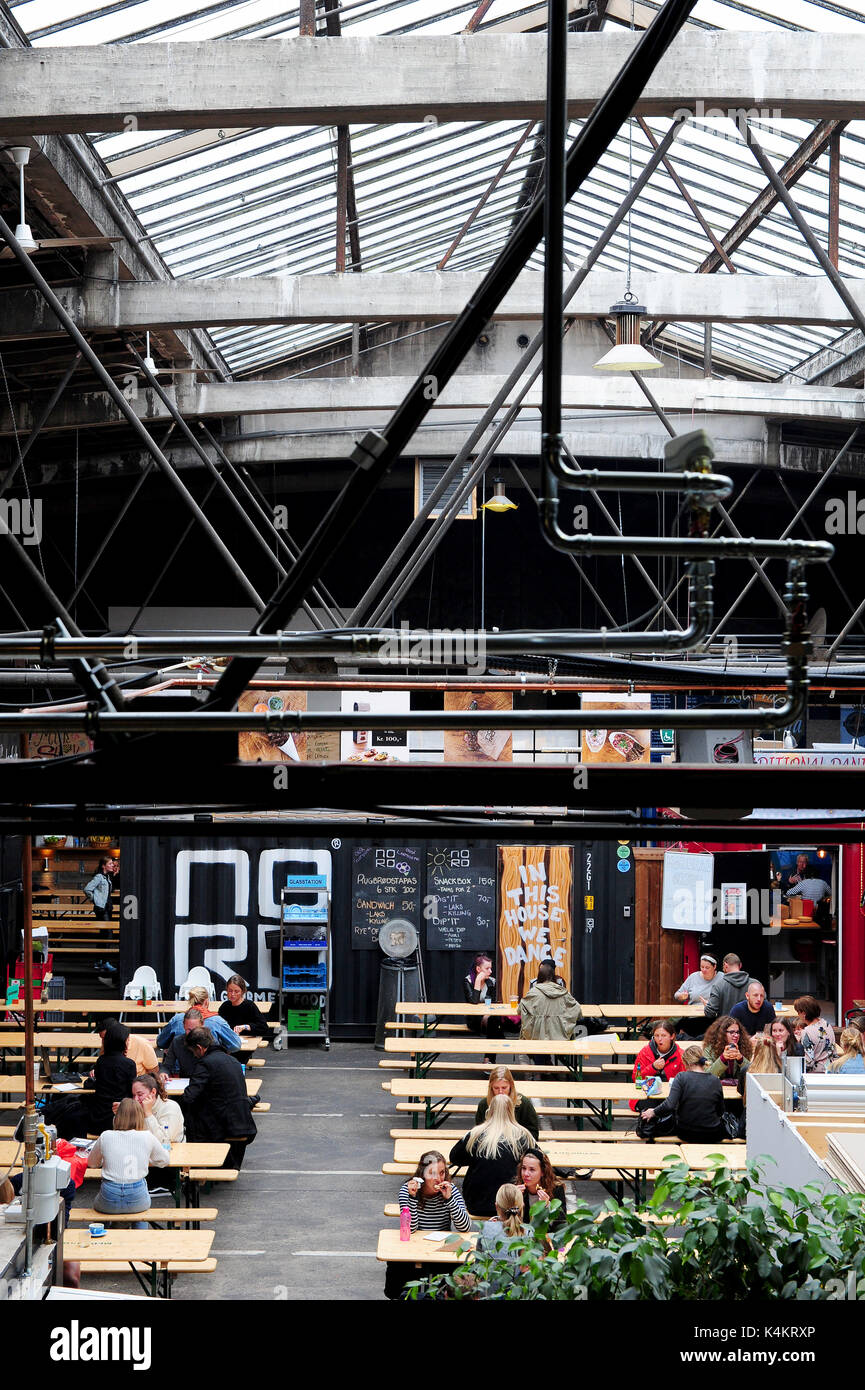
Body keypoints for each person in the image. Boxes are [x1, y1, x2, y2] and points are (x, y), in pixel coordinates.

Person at [177, 1027, 257, 1168]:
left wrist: (174, 1106)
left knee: (192, 1117)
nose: (194, 1056)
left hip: (224, 1124)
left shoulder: (205, 1064)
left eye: (193, 1052)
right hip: (242, 1120)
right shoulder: (232, 1060)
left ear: (200, 1048)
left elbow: (189, 1096)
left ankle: (195, 1165)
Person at [448, 1095, 534, 1218]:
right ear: (511, 1111)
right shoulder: (524, 1136)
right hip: (511, 1204)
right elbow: (539, 1159)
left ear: (490, 1110)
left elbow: (455, 1157)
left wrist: (478, 1159)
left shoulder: (475, 1134)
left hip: (477, 1203)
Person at [88, 1097, 169, 1227]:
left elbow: (92, 1163)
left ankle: (100, 1235)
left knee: (99, 1209)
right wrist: (146, 1158)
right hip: (137, 1195)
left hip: (109, 1195)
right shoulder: (147, 1136)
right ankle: (139, 1239)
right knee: (140, 1213)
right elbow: (164, 1160)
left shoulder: (106, 1136)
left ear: (117, 1117)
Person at [639, 1045, 727, 1143]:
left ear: (686, 1062)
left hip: (687, 1132)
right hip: (712, 1132)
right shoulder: (715, 1080)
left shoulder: (681, 1077)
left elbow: (669, 1105)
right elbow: (720, 1110)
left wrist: (653, 1112)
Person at [397, 1151, 472, 1232]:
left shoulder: (449, 1189)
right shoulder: (407, 1190)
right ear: (423, 1174)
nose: (439, 1179)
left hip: (442, 1242)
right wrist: (412, 1198)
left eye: (442, 1173)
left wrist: (450, 1199)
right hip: (416, 1242)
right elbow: (409, 1229)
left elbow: (465, 1227)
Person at [157, 989, 242, 1054]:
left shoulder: (177, 1019)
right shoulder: (217, 1021)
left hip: (180, 1069)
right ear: (206, 1001)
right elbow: (235, 1045)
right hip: (209, 1069)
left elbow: (161, 1042)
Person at [463, 953, 514, 1056]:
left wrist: (488, 1014)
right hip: (474, 1019)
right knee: (494, 1024)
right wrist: (477, 981)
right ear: (478, 969)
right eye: (487, 968)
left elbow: (492, 1002)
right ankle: (502, 1042)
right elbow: (473, 1001)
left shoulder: (491, 982)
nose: (491, 971)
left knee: (493, 1021)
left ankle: (488, 1060)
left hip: (489, 1017)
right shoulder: (467, 981)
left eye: (491, 968)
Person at [630, 1019, 686, 1112]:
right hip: (647, 1094)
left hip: (671, 1095)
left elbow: (685, 1080)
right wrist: (653, 1067)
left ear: (672, 1036)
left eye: (663, 1036)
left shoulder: (680, 1055)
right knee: (651, 1108)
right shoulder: (645, 1052)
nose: (660, 1039)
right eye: (656, 1035)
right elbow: (636, 1079)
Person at [519, 960, 582, 1041]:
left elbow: (520, 1010)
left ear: (539, 976)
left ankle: (530, 1053)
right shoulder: (563, 992)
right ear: (553, 976)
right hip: (560, 1037)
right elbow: (577, 1010)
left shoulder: (533, 992)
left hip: (537, 1036)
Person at [472, 1066, 539, 1140]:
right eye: (496, 1088)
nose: (500, 1092)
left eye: (504, 1088)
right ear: (491, 1087)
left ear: (511, 1086)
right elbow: (479, 1133)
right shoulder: (484, 1104)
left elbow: (533, 1132)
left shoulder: (523, 1103)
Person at [515, 1147, 568, 1227]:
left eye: (532, 1170)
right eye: (524, 1168)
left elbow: (561, 1224)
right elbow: (508, 1222)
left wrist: (548, 1207)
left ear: (543, 1172)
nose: (526, 1174)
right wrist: (513, 1202)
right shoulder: (515, 1188)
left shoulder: (556, 1189)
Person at [477, 1183, 530, 1257]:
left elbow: (479, 1261)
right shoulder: (529, 1233)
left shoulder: (485, 1228)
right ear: (522, 1206)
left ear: (496, 1206)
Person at [132, 1073, 185, 1143]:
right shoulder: (136, 1107)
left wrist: (148, 1113)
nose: (136, 1099)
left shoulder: (171, 1107)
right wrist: (122, 1114)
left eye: (140, 1094)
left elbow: (163, 1140)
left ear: (153, 1092)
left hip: (173, 1150)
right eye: (133, 1095)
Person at [702, 1015, 753, 1084]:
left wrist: (741, 1059)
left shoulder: (744, 1047)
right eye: (732, 1032)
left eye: (737, 1032)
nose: (736, 1035)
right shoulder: (710, 1049)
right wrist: (723, 1058)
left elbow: (752, 1075)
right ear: (722, 1033)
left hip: (738, 1089)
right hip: (717, 1087)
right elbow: (707, 1075)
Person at [703, 954, 752, 1024]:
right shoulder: (755, 985)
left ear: (725, 966)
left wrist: (707, 1006)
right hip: (748, 1031)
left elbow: (710, 1013)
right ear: (740, 965)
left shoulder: (718, 985)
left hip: (725, 1031)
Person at [794, 995, 836, 1073]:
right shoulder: (826, 1024)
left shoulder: (807, 1032)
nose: (798, 1015)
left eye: (798, 1012)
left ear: (803, 1013)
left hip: (817, 1074)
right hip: (832, 1069)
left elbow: (808, 1063)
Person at [160, 1009, 205, 1079]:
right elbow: (167, 1065)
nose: (192, 1033)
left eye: (195, 1029)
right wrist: (163, 1073)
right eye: (189, 1030)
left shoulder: (210, 1042)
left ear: (202, 1025)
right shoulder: (177, 1042)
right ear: (184, 1026)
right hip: (184, 1081)